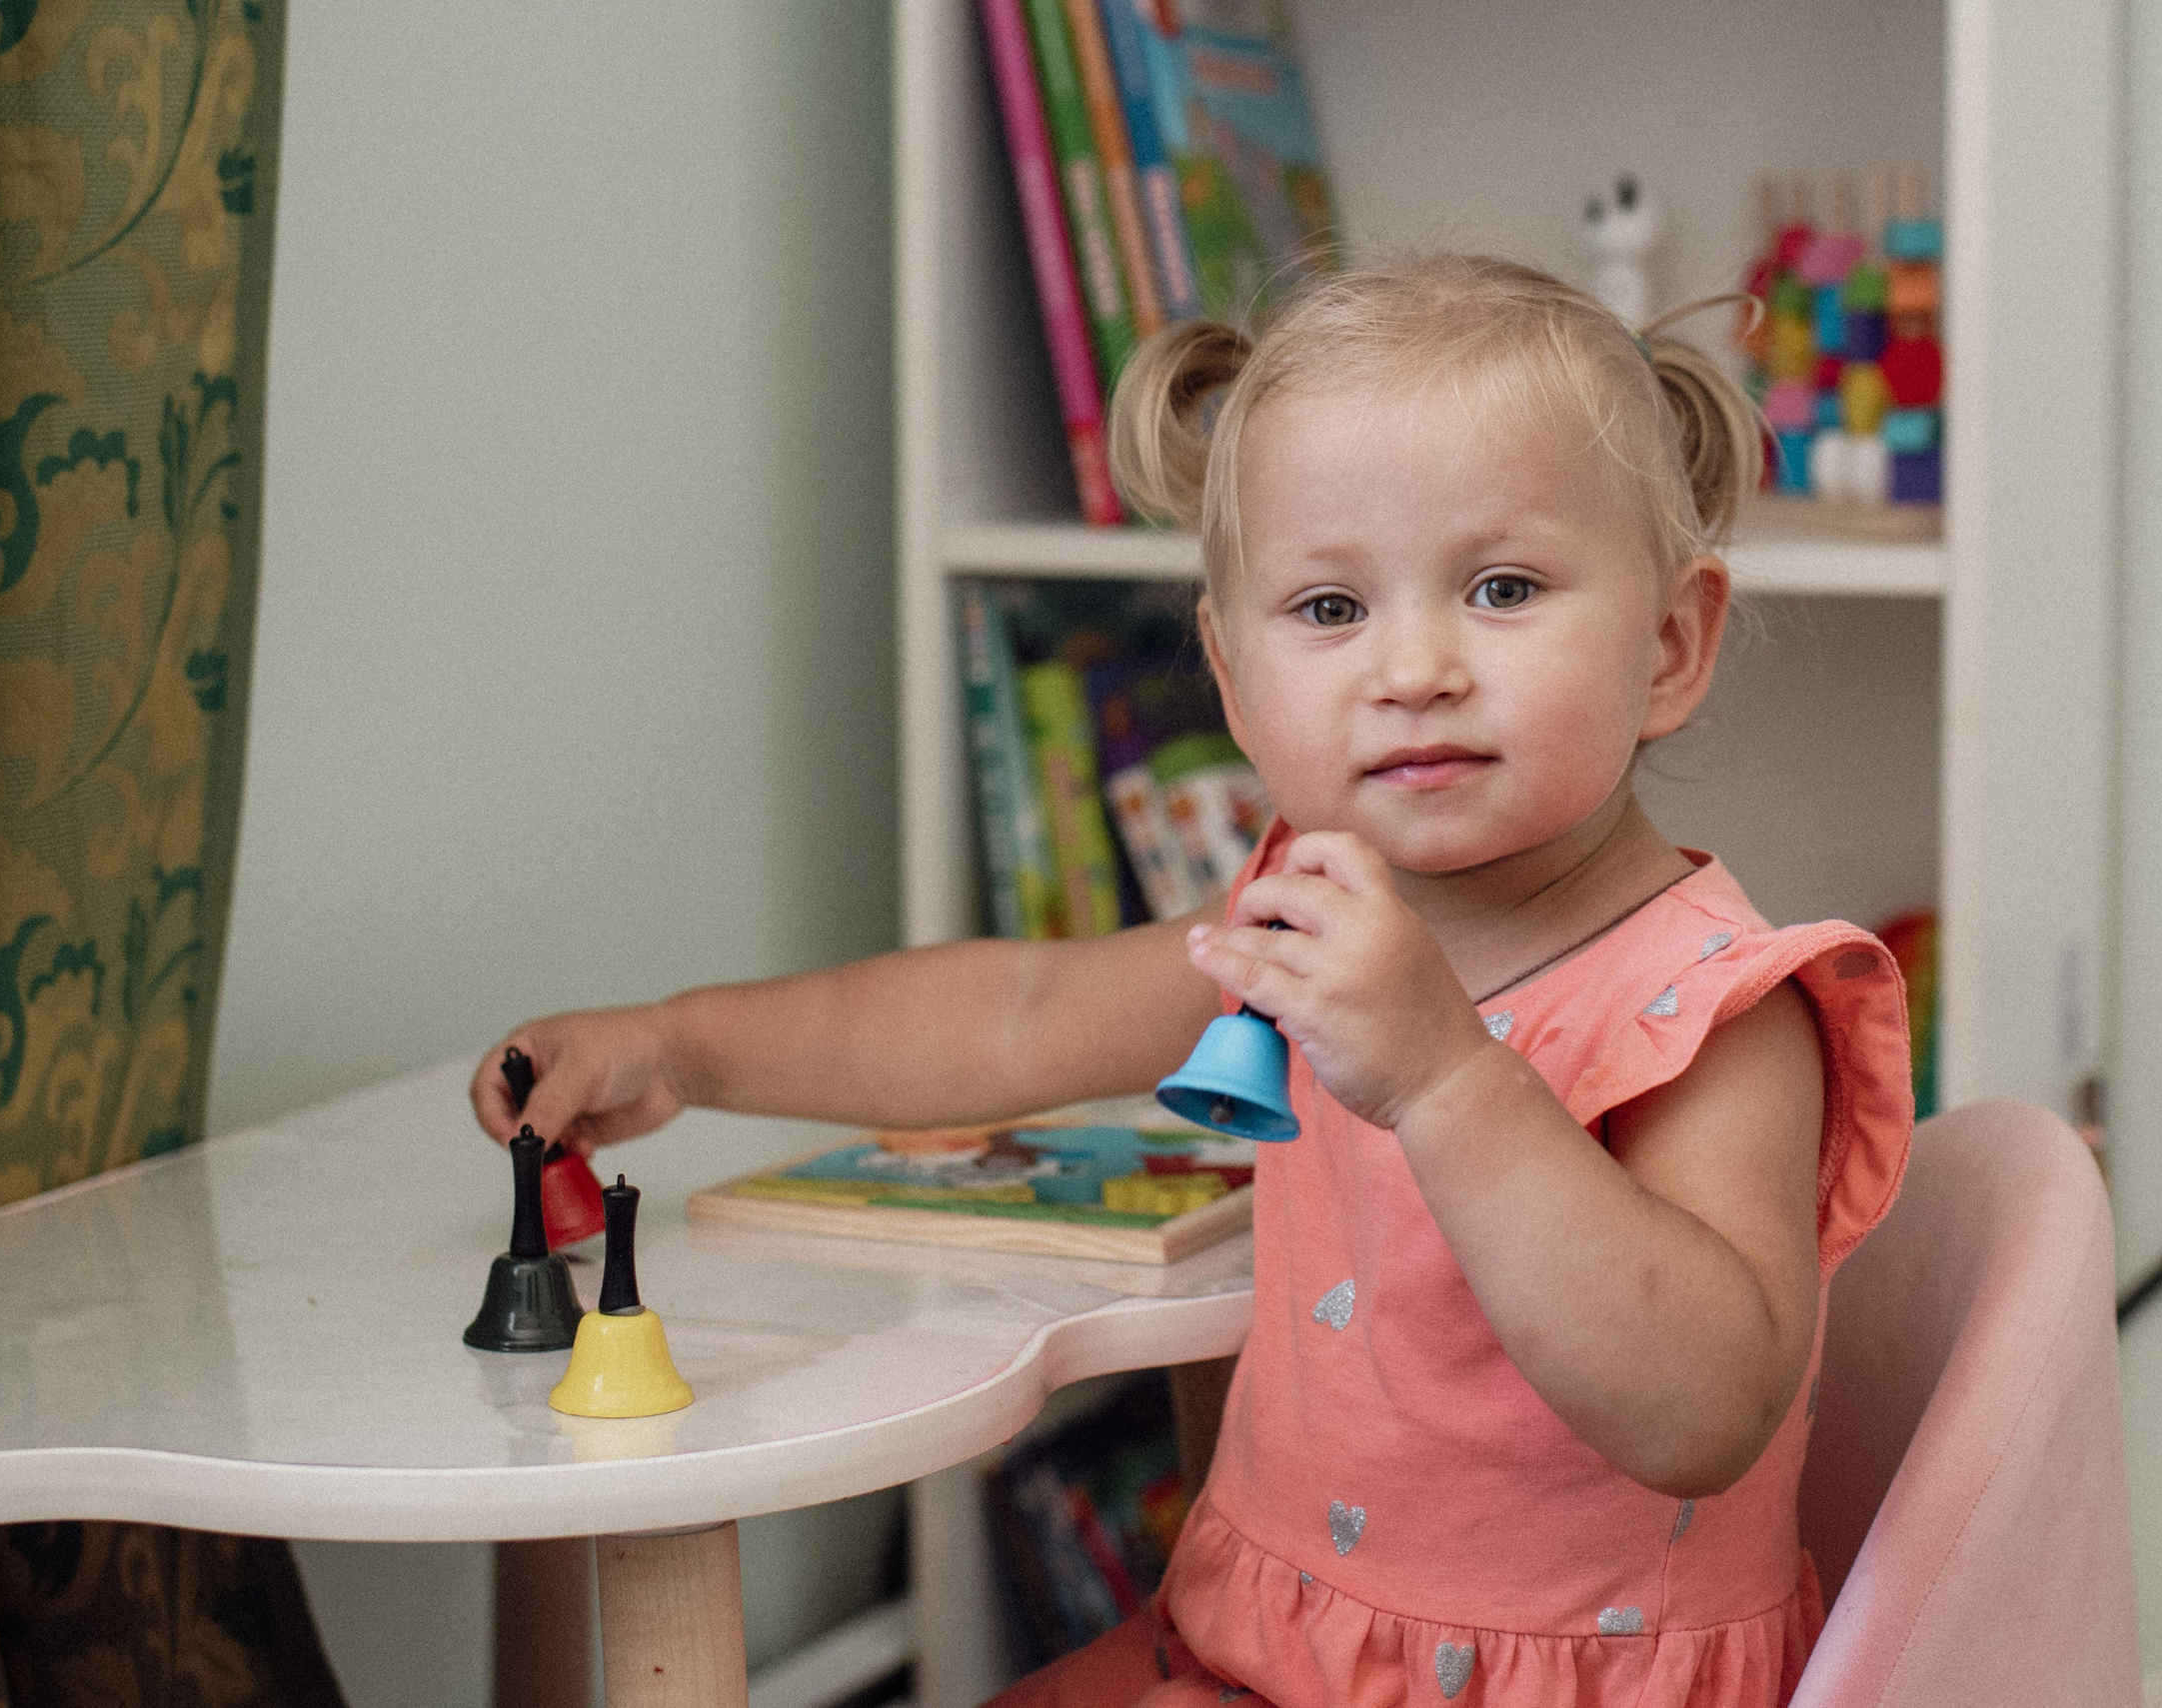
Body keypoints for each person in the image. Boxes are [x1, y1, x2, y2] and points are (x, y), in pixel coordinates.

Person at [473, 255, 1913, 1708]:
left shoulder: (1718, 1005)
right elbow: (1017, 1016)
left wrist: (1443, 1077)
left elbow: (1705, 1406)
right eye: (1331, 609)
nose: (1413, 666)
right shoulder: (1304, 912)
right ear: (1231, 678)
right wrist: (680, 1047)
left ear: (1671, 645)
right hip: (1261, 1647)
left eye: (1502, 587)